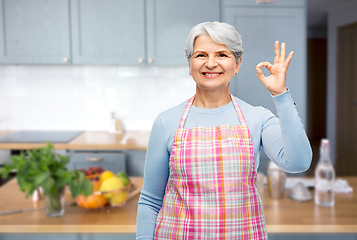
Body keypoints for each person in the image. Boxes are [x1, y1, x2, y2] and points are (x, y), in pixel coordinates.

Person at [136, 21, 312, 239]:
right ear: (189, 64)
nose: (211, 63)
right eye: (201, 55)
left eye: (222, 55)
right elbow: (150, 200)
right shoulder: (166, 122)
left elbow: (299, 162)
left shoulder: (257, 118)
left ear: (237, 64)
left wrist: (281, 95)